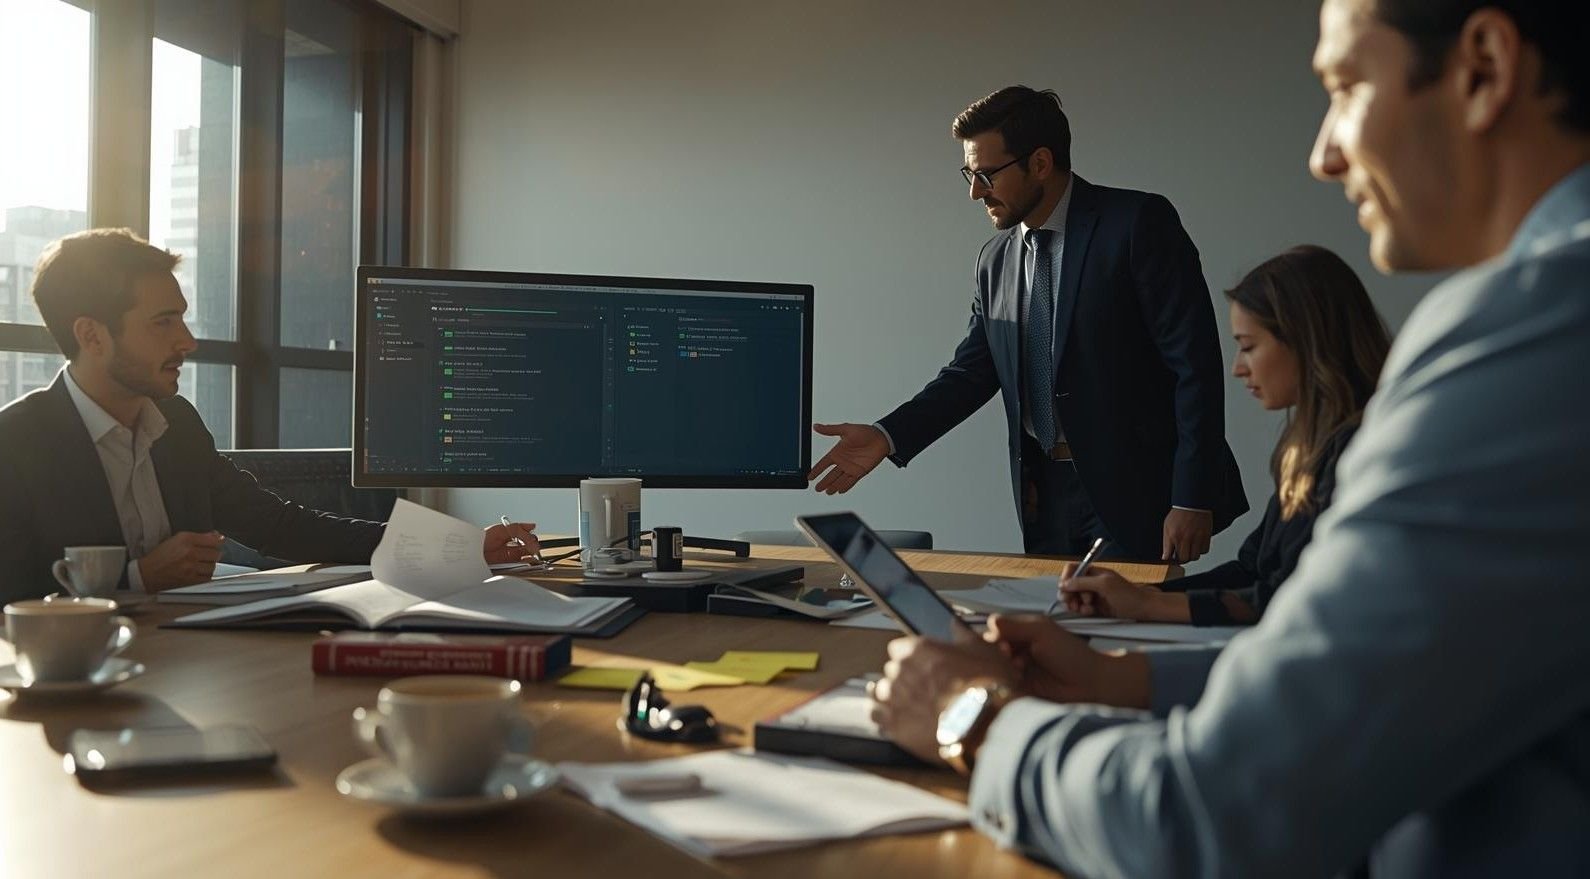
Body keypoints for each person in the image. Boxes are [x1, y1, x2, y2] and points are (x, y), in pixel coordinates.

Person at [870, 0, 1590, 874]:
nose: (1323, 154)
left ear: (1483, 66)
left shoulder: (1527, 337)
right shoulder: (1540, 328)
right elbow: (1336, 679)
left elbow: (1212, 812)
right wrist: (1115, 678)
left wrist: (972, 720)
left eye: (1346, 86)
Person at [806, 86, 1247, 562]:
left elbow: (1194, 366)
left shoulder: (1138, 223)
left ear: (1040, 163)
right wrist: (887, 435)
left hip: (1140, 495)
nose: (975, 191)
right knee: (1052, 632)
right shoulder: (994, 260)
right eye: (968, 175)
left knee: (1128, 632)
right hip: (1045, 497)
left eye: (986, 174)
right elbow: (971, 373)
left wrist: (1191, 496)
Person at [0, 229, 539, 603]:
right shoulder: (16, 444)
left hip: (190, 669)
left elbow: (282, 526)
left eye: (183, 319)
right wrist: (135, 578)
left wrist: (462, 546)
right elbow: (11, 598)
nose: (187, 342)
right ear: (91, 335)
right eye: (162, 323)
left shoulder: (177, 425)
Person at [1061, 245, 1390, 625]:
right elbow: (1252, 569)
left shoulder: (1361, 452)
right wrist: (1136, 594)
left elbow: (1290, 599)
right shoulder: (1306, 446)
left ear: (1307, 339)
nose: (1237, 369)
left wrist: (1149, 606)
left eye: (1248, 347)